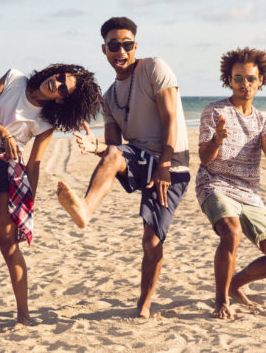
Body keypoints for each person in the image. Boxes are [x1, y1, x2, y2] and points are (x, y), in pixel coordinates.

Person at [0, 64, 102, 331]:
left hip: (9, 174)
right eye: (61, 77)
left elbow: (34, 164)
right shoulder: (13, 78)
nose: (58, 84)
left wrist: (27, 208)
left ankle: (23, 316)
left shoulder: (46, 122)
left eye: (64, 88)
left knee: (9, 247)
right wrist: (4, 133)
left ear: (63, 99)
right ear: (57, 71)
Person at [57, 17, 190, 318]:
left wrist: (165, 166)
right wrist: (95, 149)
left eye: (127, 45)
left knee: (151, 241)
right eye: (114, 45)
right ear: (104, 49)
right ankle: (85, 210)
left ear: (135, 46)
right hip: (139, 158)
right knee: (114, 153)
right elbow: (113, 150)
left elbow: (170, 119)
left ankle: (144, 304)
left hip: (172, 163)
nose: (121, 51)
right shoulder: (109, 98)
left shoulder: (154, 68)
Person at [196, 47, 266, 320]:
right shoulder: (214, 111)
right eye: (238, 78)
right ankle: (221, 300)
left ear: (261, 80)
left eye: (250, 78)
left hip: (248, 192)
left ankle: (236, 284)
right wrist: (217, 139)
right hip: (214, 184)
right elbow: (204, 157)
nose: (244, 84)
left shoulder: (262, 120)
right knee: (232, 232)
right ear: (229, 79)